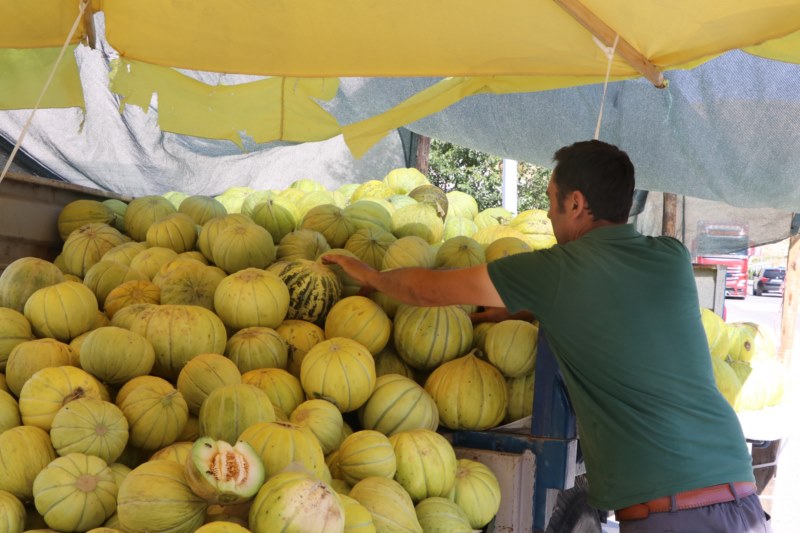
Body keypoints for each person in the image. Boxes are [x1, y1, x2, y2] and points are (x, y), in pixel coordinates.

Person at [323, 140, 771, 532]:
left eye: (551, 201)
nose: (551, 215)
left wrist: (369, 273)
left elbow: (426, 289)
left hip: (675, 516)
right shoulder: (671, 258)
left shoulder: (555, 271)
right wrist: (525, 304)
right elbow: (608, 297)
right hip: (738, 488)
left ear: (575, 203)